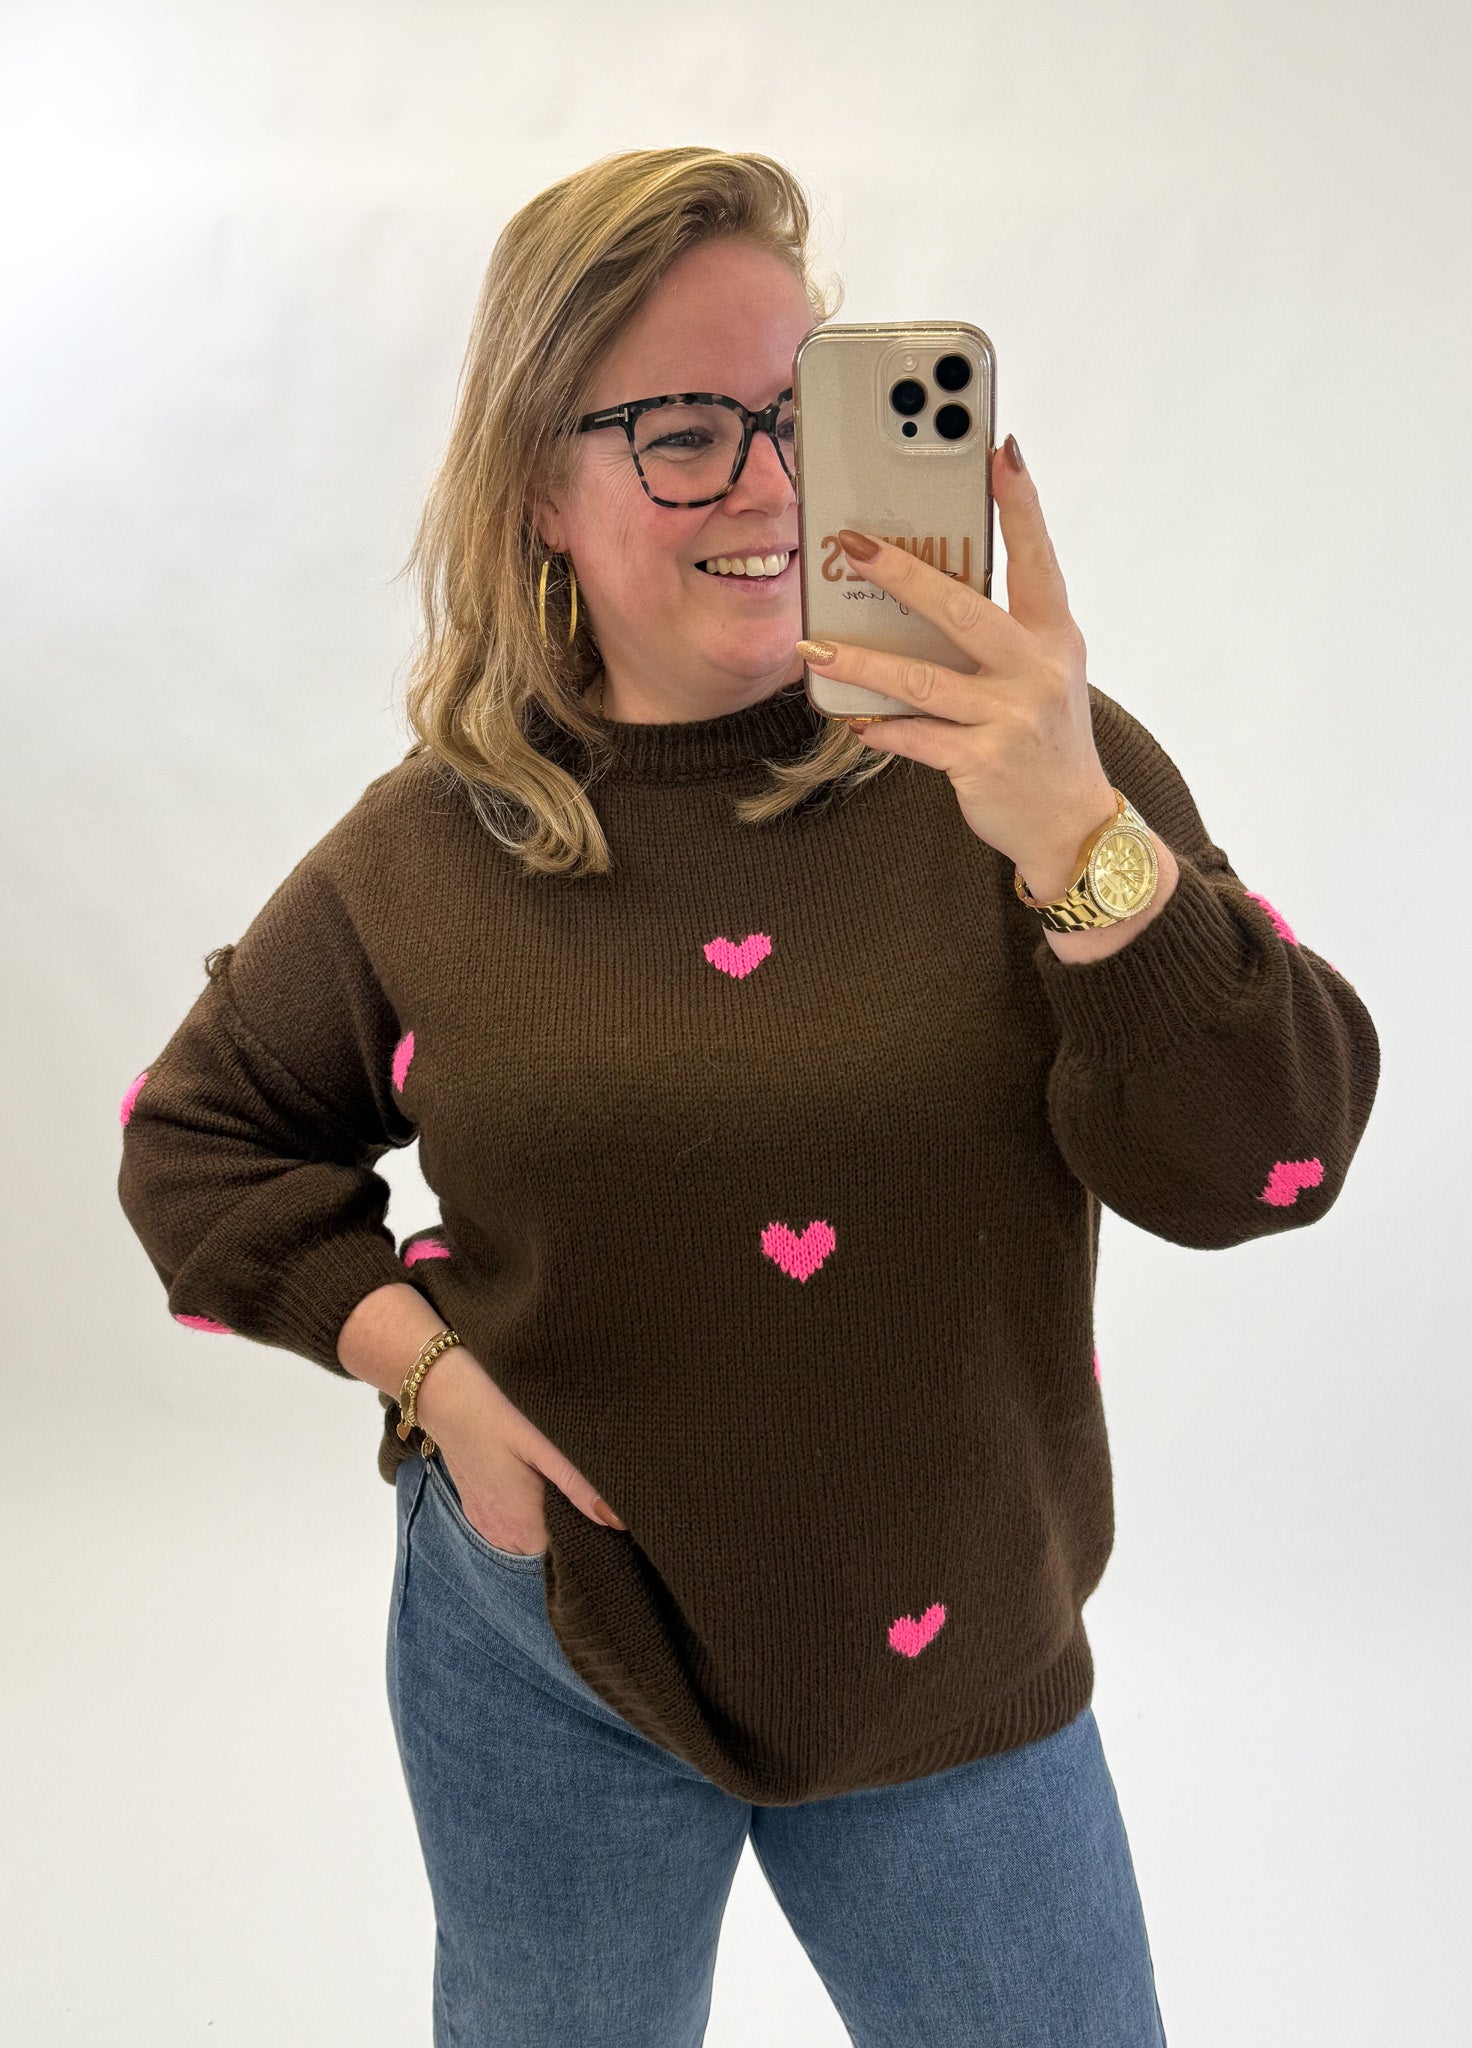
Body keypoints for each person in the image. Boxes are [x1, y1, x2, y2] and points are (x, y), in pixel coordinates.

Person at [117, 146, 1381, 2047]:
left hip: (956, 1662)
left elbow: (1270, 1167)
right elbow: (198, 1140)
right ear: (538, 485)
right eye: (685, 432)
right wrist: (430, 1378)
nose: (772, 487)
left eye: (806, 418)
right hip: (552, 1646)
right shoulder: (427, 852)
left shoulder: (1026, 768)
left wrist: (1078, 842)